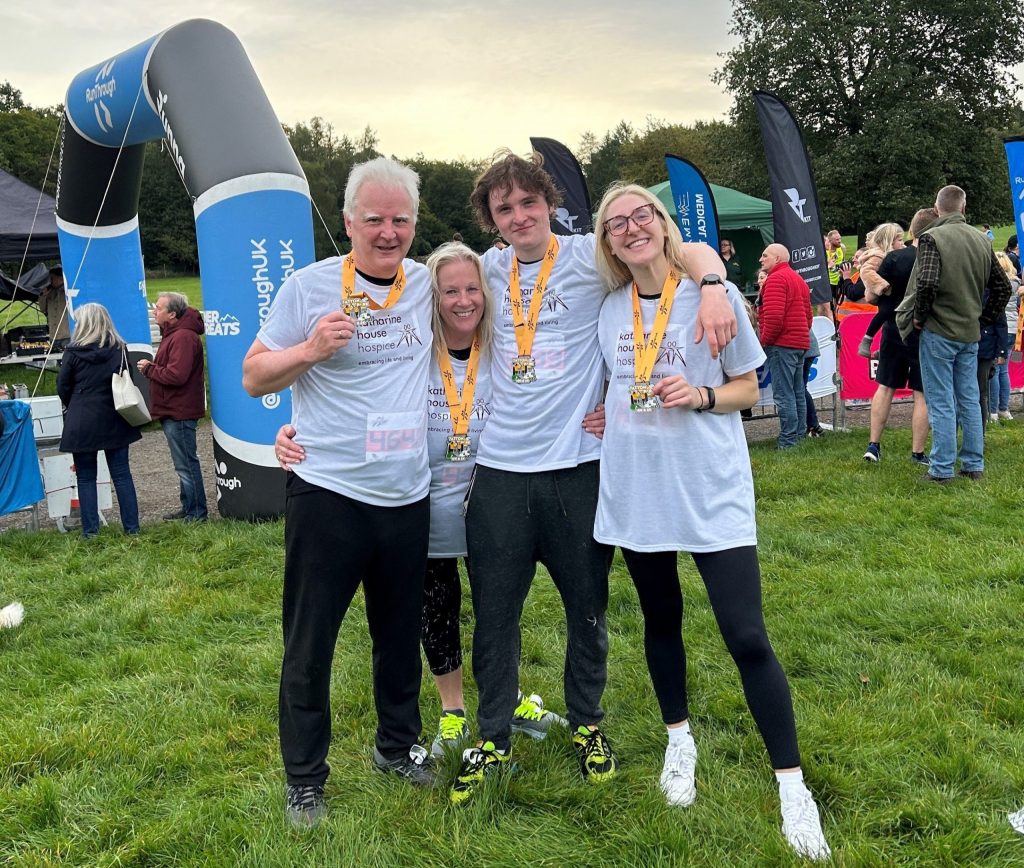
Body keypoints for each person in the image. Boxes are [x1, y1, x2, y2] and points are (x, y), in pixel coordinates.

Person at [452, 150, 736, 804]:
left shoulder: (588, 257)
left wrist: (716, 284)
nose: (520, 216)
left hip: (580, 471)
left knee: (589, 610)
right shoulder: (484, 270)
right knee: (495, 616)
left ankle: (587, 723)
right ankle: (492, 735)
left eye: (529, 202)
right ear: (492, 220)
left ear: (548, 203)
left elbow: (681, 247)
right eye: (505, 208)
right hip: (498, 475)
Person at [591, 183, 830, 861]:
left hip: (709, 488)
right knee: (659, 620)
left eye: (643, 216)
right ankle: (679, 740)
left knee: (747, 634)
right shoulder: (608, 310)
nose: (632, 229)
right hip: (638, 491)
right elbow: (600, 386)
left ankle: (792, 786)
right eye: (617, 224)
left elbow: (750, 389)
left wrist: (700, 394)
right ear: (608, 242)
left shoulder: (708, 294)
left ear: (664, 227)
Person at [272, 242, 583, 758]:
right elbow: (351, 396)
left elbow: (557, 387)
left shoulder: (507, 345)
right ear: (429, 299)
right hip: (424, 507)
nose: (463, 301)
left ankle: (508, 703)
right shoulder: (413, 352)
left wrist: (594, 408)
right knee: (436, 611)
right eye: (449, 291)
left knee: (498, 612)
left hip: (493, 507)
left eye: (472, 288)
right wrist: (289, 432)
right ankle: (453, 710)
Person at [242, 157, 435, 827]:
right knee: (311, 641)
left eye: (400, 220)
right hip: (328, 493)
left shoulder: (428, 284)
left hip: (407, 495)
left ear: (415, 223)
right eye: (374, 219)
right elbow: (251, 377)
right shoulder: (308, 287)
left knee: (397, 634)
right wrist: (309, 353)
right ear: (349, 220)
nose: (388, 232)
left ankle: (397, 747)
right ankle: (305, 780)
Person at [896, 185, 1012, 482]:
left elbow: (927, 283)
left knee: (941, 400)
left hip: (938, 330)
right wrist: (983, 318)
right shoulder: (982, 240)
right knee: (970, 399)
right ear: (963, 207)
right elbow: (1003, 287)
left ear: (937, 210)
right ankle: (974, 464)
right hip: (970, 332)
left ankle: (941, 468)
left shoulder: (932, 237)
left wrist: (919, 317)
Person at [56, 303, 141, 539]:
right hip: (115, 415)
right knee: (122, 475)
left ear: (83, 324)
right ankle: (132, 529)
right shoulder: (120, 349)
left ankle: (90, 531)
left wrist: (74, 404)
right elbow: (129, 380)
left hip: (82, 418)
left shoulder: (72, 352)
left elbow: (63, 386)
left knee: (85, 477)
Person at [861, 209, 935, 464]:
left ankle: (874, 445)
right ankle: (917, 452)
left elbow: (870, 295)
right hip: (922, 329)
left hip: (892, 328)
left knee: (885, 386)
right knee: (921, 392)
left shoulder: (893, 258)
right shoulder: (931, 259)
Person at [137, 293, 208, 522]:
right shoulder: (176, 335)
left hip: (180, 409)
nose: (154, 312)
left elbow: (177, 375)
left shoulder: (183, 338)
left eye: (158, 308)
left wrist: (149, 369)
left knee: (186, 463)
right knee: (183, 463)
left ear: (172, 314)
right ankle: (189, 507)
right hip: (175, 408)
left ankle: (196, 512)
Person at [758, 243, 813, 448]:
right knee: (797, 391)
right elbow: (809, 317)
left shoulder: (776, 279)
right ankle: (797, 435)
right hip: (799, 343)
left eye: (765, 255)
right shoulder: (798, 279)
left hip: (782, 344)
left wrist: (765, 340)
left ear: (777, 258)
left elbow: (773, 317)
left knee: (784, 393)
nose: (760, 259)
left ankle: (788, 440)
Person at [856, 223, 905, 358]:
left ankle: (885, 350)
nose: (902, 243)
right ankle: (867, 339)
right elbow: (866, 272)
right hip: (882, 293)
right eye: (899, 240)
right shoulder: (878, 256)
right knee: (885, 312)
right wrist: (882, 286)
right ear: (889, 241)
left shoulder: (898, 253)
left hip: (892, 292)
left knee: (894, 321)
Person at [988, 251, 1019, 422]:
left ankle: (992, 411)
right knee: (1004, 370)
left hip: (998, 329)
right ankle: (1004, 408)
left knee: (994, 371)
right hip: (1013, 329)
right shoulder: (1016, 284)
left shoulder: (995, 284)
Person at [37, 266, 70, 346]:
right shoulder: (50, 293)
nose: (50, 281)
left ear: (61, 279)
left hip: (66, 335)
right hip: (53, 335)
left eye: (52, 278)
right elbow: (43, 309)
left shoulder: (68, 292)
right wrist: (43, 296)